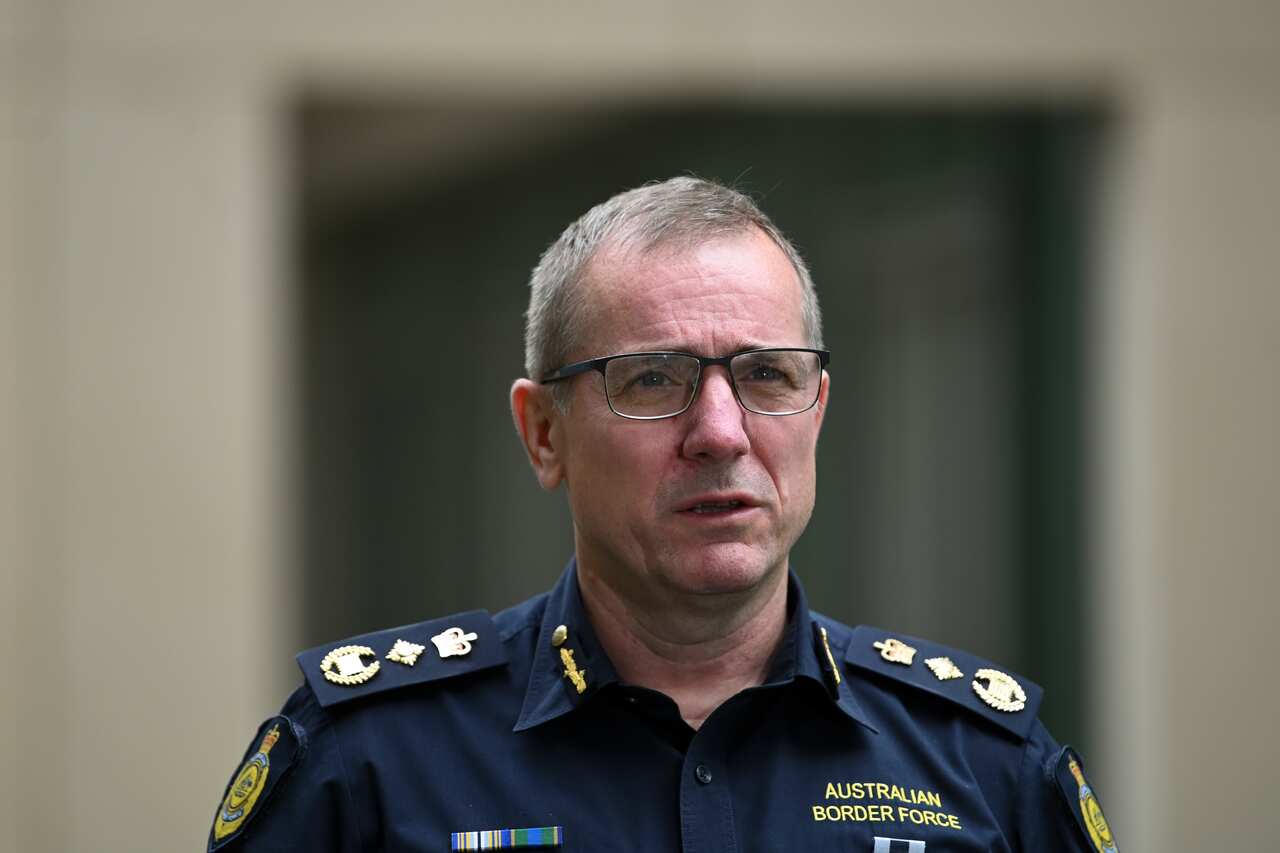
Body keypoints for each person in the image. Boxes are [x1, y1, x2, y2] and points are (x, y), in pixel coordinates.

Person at [208, 177, 1118, 853]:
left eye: (768, 375)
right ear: (543, 434)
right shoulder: (368, 764)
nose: (720, 432)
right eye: (653, 379)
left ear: (819, 409)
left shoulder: (986, 769)